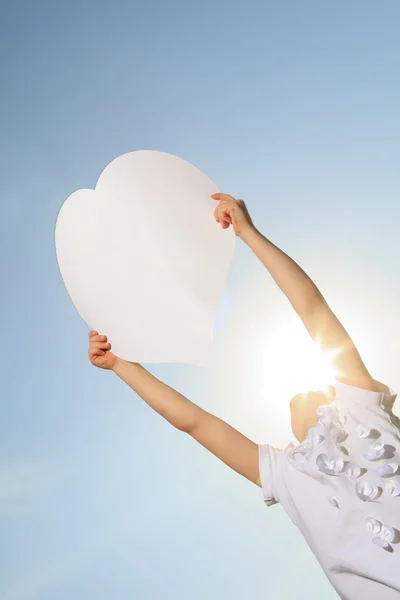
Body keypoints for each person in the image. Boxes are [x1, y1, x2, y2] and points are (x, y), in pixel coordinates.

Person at [88, 193, 400, 599]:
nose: (301, 392)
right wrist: (120, 365)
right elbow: (195, 423)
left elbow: (313, 311)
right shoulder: (284, 473)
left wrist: (249, 234)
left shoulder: (361, 408)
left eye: (314, 389)